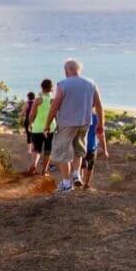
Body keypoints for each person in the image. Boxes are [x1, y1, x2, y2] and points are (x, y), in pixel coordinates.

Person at [45, 59, 104, 193]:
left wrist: (47, 124)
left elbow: (55, 106)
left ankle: (66, 183)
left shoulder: (63, 84)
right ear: (79, 70)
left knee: (62, 153)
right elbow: (99, 105)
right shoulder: (91, 83)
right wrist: (101, 124)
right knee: (78, 150)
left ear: (67, 70)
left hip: (66, 123)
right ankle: (76, 174)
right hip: (84, 123)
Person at [27, 80, 56, 176]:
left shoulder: (38, 100)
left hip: (37, 128)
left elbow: (31, 114)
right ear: (52, 88)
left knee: (37, 149)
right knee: (48, 150)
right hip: (50, 128)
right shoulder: (54, 100)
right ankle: (44, 171)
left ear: (41, 87)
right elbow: (57, 115)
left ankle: (34, 166)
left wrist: (30, 124)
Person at [81, 110, 108, 189]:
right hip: (92, 146)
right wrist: (105, 150)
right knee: (90, 166)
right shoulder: (98, 118)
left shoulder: (82, 114)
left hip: (82, 144)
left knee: (82, 166)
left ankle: (81, 182)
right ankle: (86, 184)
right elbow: (102, 135)